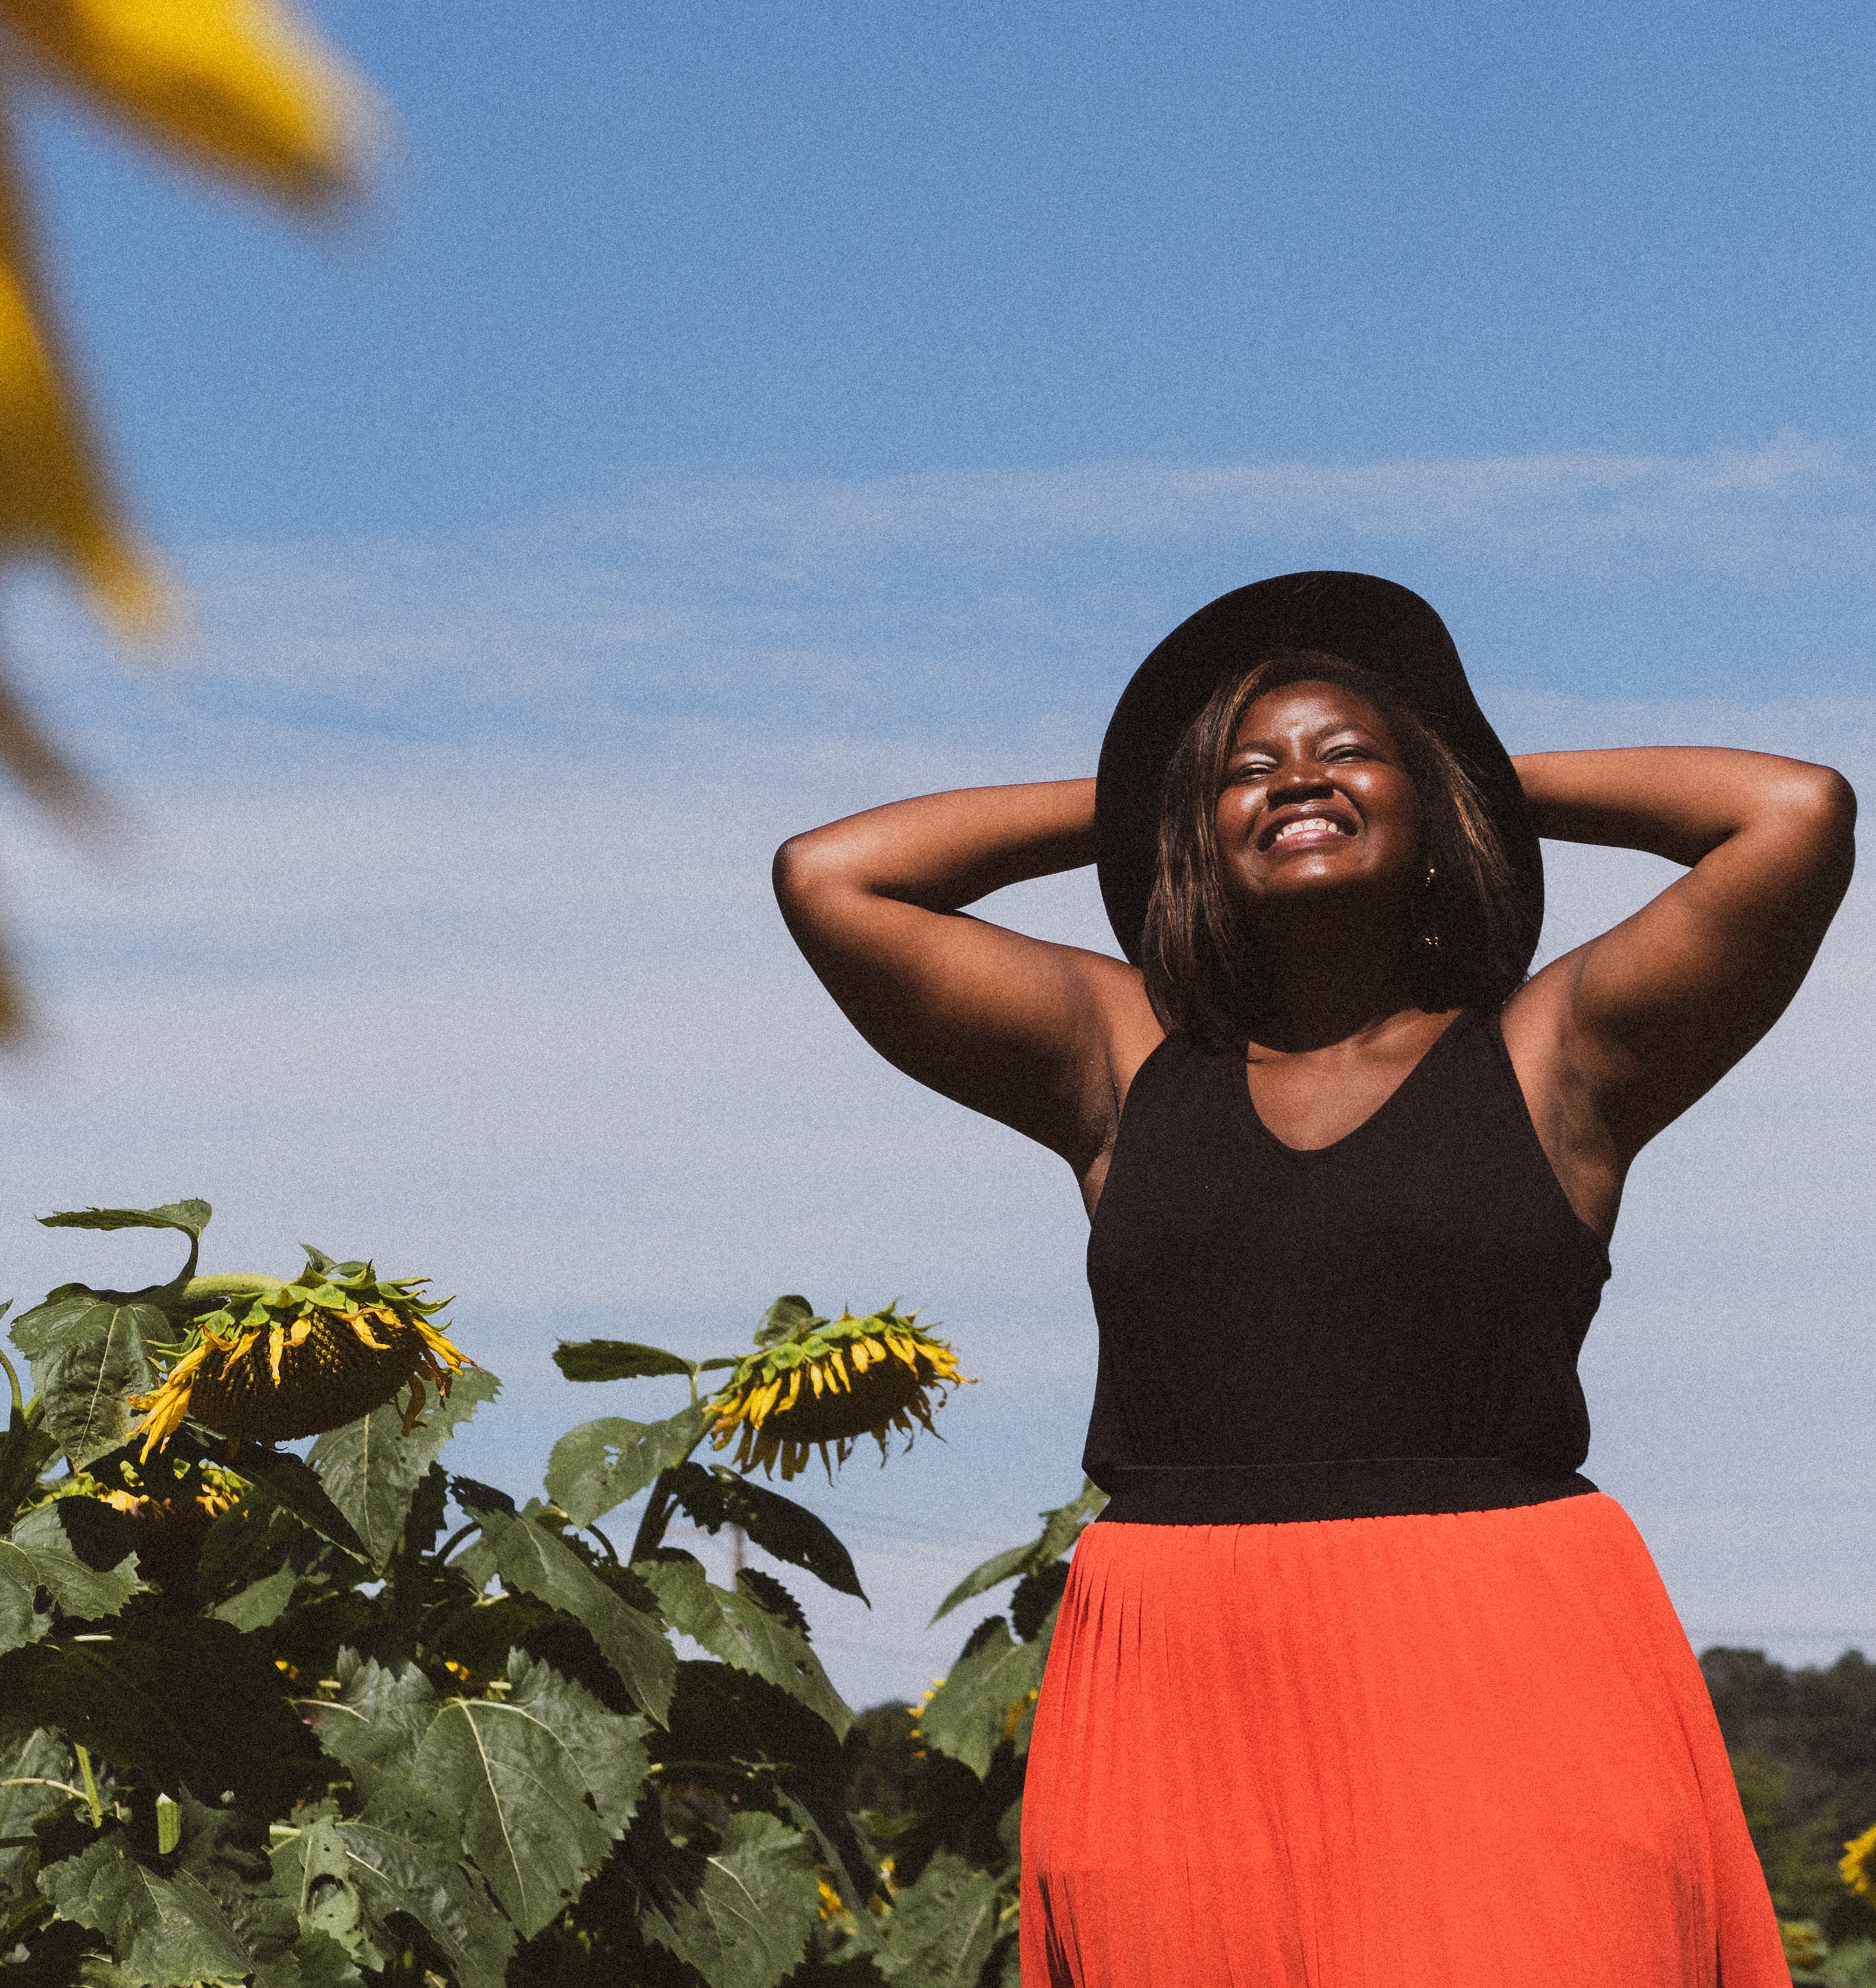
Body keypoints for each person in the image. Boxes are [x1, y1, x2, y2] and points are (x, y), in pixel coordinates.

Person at [773, 572, 1856, 1987]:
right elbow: (833, 875)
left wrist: (1454, 763)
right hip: (1176, 1691)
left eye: (1345, 752)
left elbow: (1791, 814)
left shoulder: (1555, 1061)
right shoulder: (1119, 1062)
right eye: (1246, 769)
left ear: (1431, 811)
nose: (1298, 780)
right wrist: (1151, 787)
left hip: (1507, 1669)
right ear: (1190, 828)